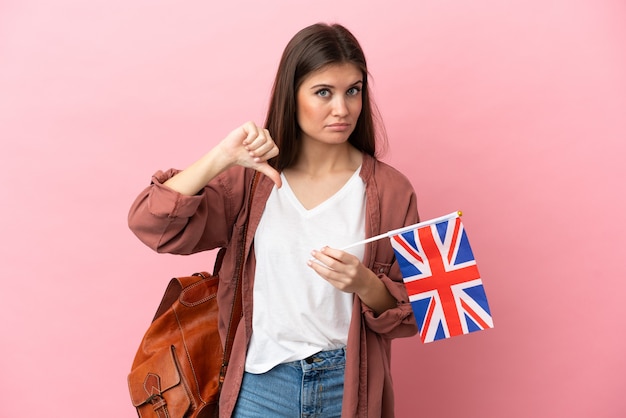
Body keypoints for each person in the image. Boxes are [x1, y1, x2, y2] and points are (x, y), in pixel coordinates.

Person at [128, 22, 419, 418]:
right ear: (291, 94)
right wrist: (221, 157)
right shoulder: (251, 180)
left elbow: (418, 310)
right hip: (260, 387)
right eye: (323, 92)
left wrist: (366, 285)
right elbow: (153, 224)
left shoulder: (392, 190)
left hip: (348, 385)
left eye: (353, 90)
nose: (343, 108)